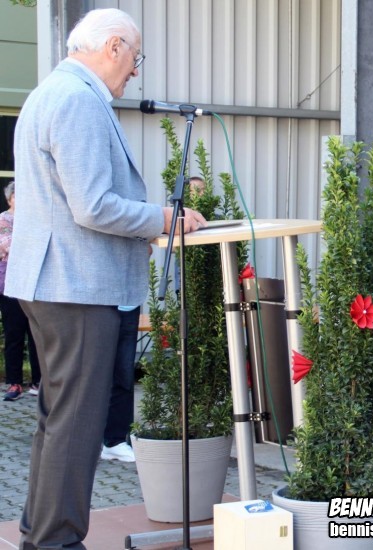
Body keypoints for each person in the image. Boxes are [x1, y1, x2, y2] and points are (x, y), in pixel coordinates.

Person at [5, 8, 206, 550]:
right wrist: (162, 217)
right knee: (77, 424)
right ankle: (56, 541)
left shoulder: (51, 92)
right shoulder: (77, 99)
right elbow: (92, 205)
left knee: (59, 420)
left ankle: (40, 535)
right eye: (135, 57)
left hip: (54, 282)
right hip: (76, 285)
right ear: (114, 46)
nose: (135, 71)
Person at [0, 182, 41, 401]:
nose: (20, 199)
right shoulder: (3, 220)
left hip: (35, 284)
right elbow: (7, 245)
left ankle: (38, 382)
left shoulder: (34, 218)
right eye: (16, 195)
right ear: (9, 199)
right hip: (10, 285)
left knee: (37, 334)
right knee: (14, 335)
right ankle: (14, 383)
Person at [100, 305, 140, 462]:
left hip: (128, 305)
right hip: (95, 305)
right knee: (89, 377)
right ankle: (83, 441)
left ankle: (114, 441)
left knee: (124, 375)